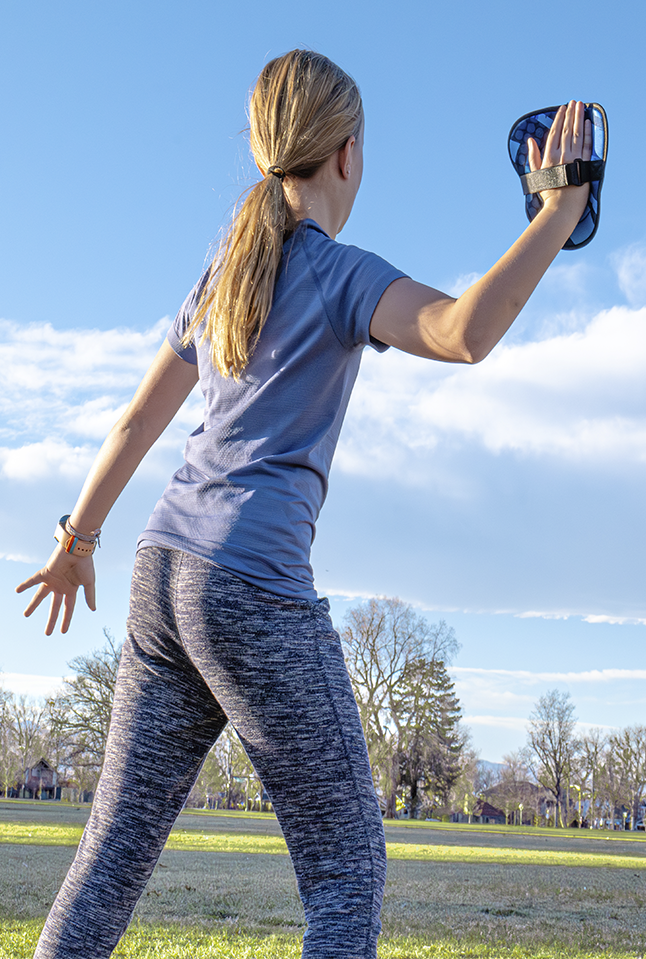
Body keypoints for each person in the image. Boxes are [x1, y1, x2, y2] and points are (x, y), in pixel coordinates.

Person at [16, 49, 596, 959]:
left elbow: (137, 420)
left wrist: (76, 538)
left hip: (159, 571)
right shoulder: (336, 274)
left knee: (110, 854)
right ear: (348, 155)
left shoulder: (223, 276)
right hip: (247, 585)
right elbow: (463, 332)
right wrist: (559, 212)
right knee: (345, 875)